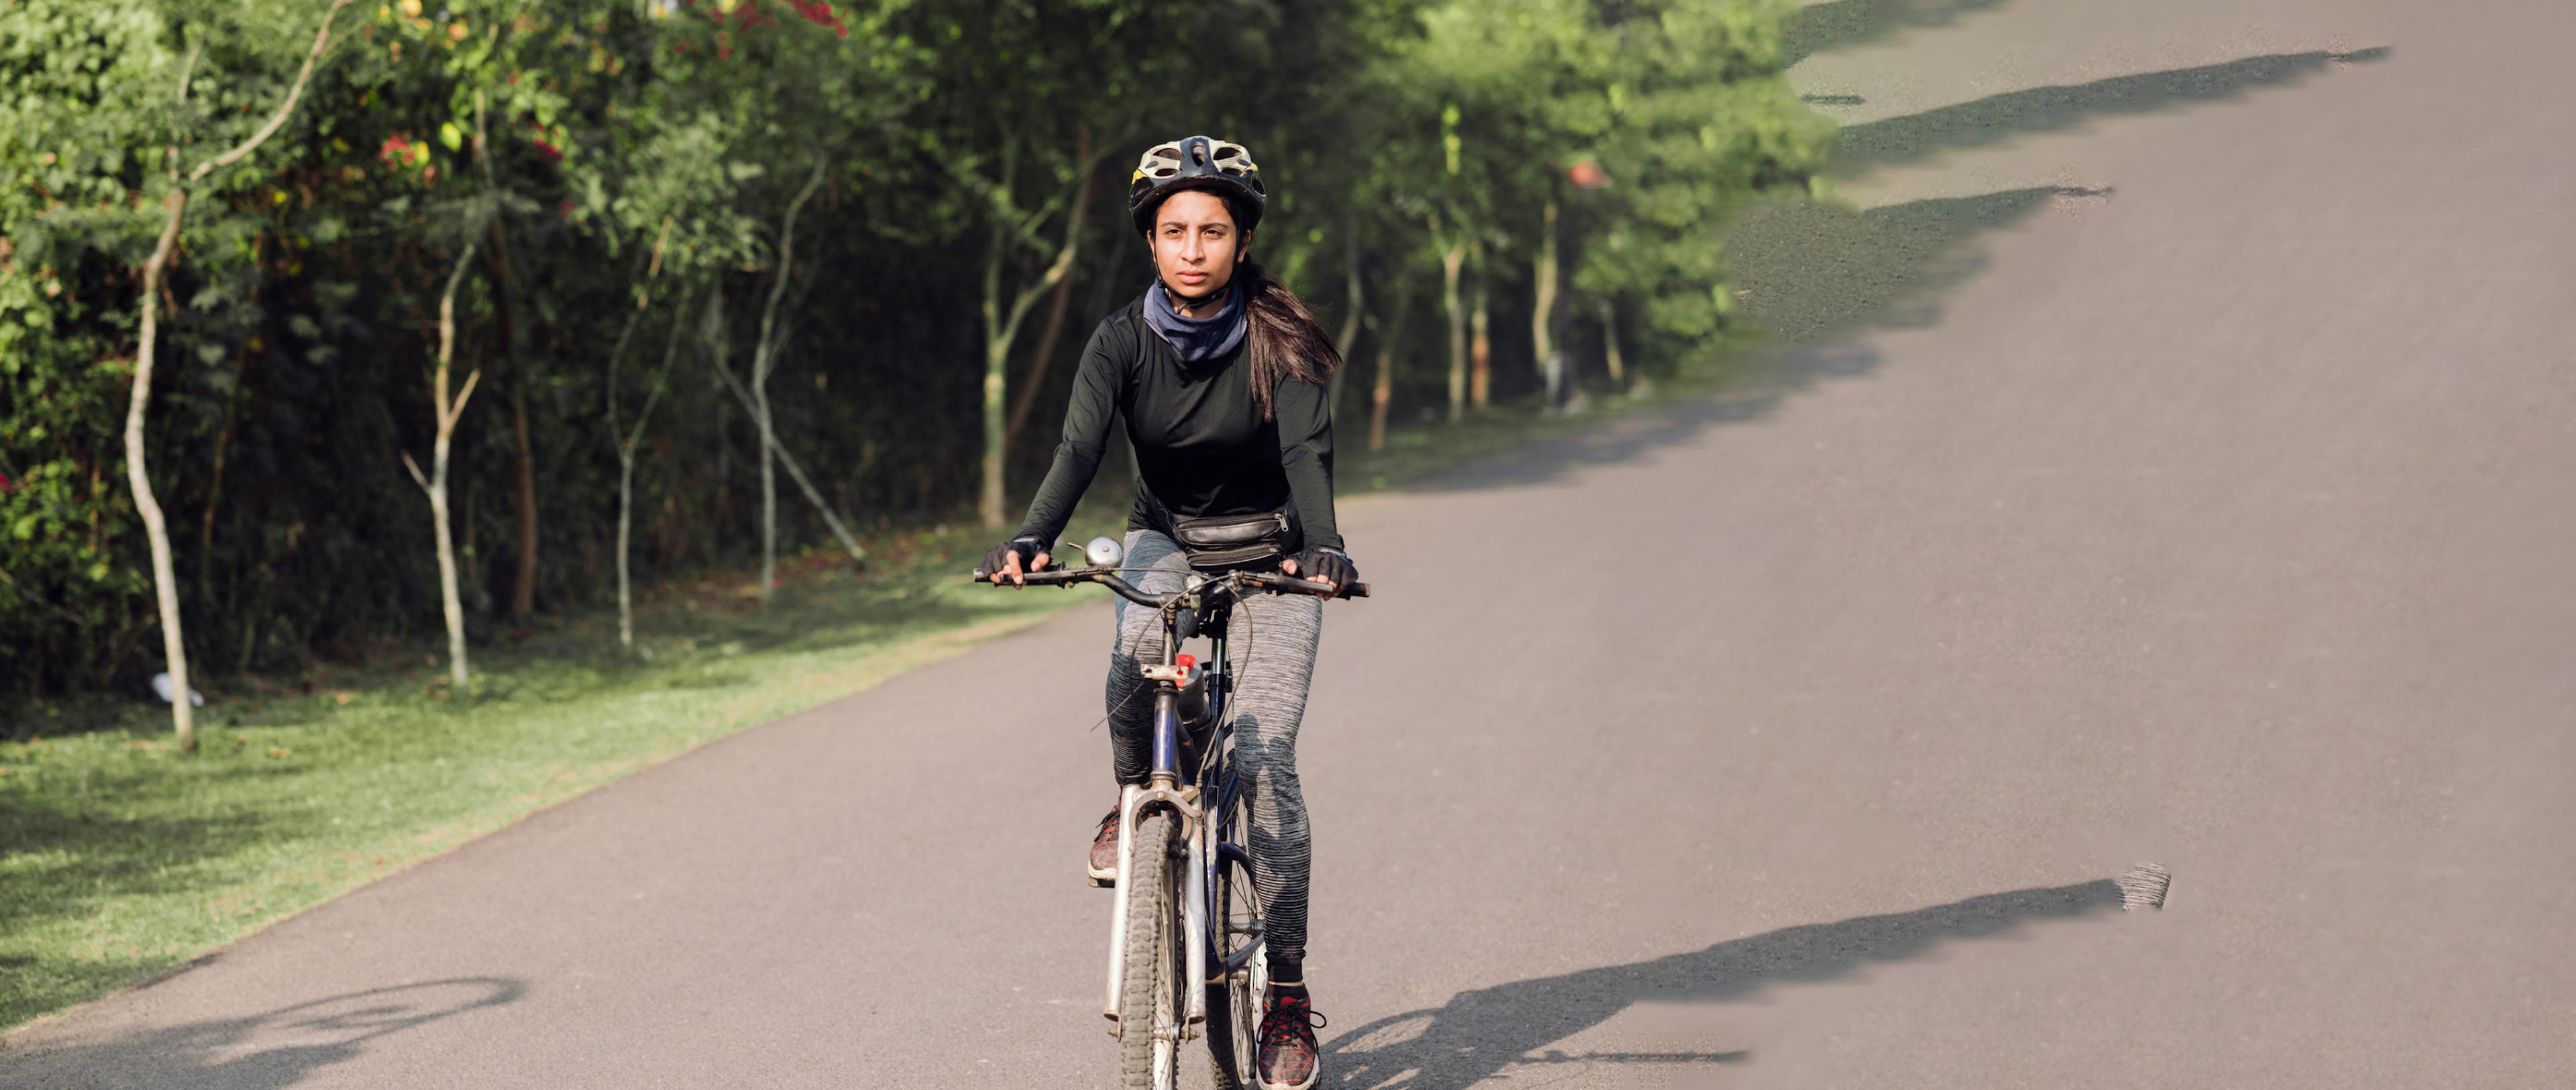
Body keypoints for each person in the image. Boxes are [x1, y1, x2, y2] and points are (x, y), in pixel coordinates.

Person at [977, 134, 1352, 1090]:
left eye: (1213, 231)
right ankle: (1136, 794)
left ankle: (1289, 997)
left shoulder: (1286, 338)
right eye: (1174, 229)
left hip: (1273, 549)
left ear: (1241, 239)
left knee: (1265, 763)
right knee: (1134, 661)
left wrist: (1324, 546)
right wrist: (1030, 538)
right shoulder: (1119, 340)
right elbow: (1077, 448)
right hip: (1168, 536)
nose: (1193, 248)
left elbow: (1310, 457)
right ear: (1150, 239)